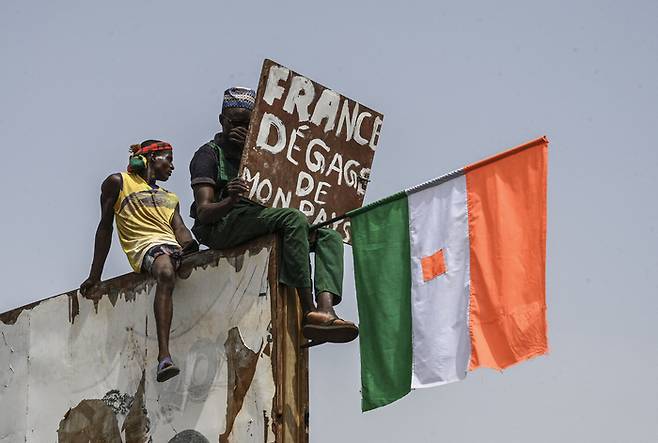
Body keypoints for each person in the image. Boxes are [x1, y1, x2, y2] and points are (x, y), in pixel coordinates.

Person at [189, 87, 358, 346]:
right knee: (293, 220)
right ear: (222, 121)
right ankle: (308, 309)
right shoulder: (209, 155)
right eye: (235, 123)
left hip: (258, 216)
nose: (240, 130)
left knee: (329, 233)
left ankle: (326, 309)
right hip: (222, 224)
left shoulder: (265, 151)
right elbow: (204, 212)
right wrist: (229, 199)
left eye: (248, 124)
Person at [80, 140, 198, 381]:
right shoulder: (118, 182)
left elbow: (180, 229)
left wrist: (192, 247)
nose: (172, 166)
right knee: (165, 271)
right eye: (169, 159)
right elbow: (104, 228)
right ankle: (164, 357)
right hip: (146, 248)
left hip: (172, 247)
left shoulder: (170, 197)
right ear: (152, 158)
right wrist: (95, 276)